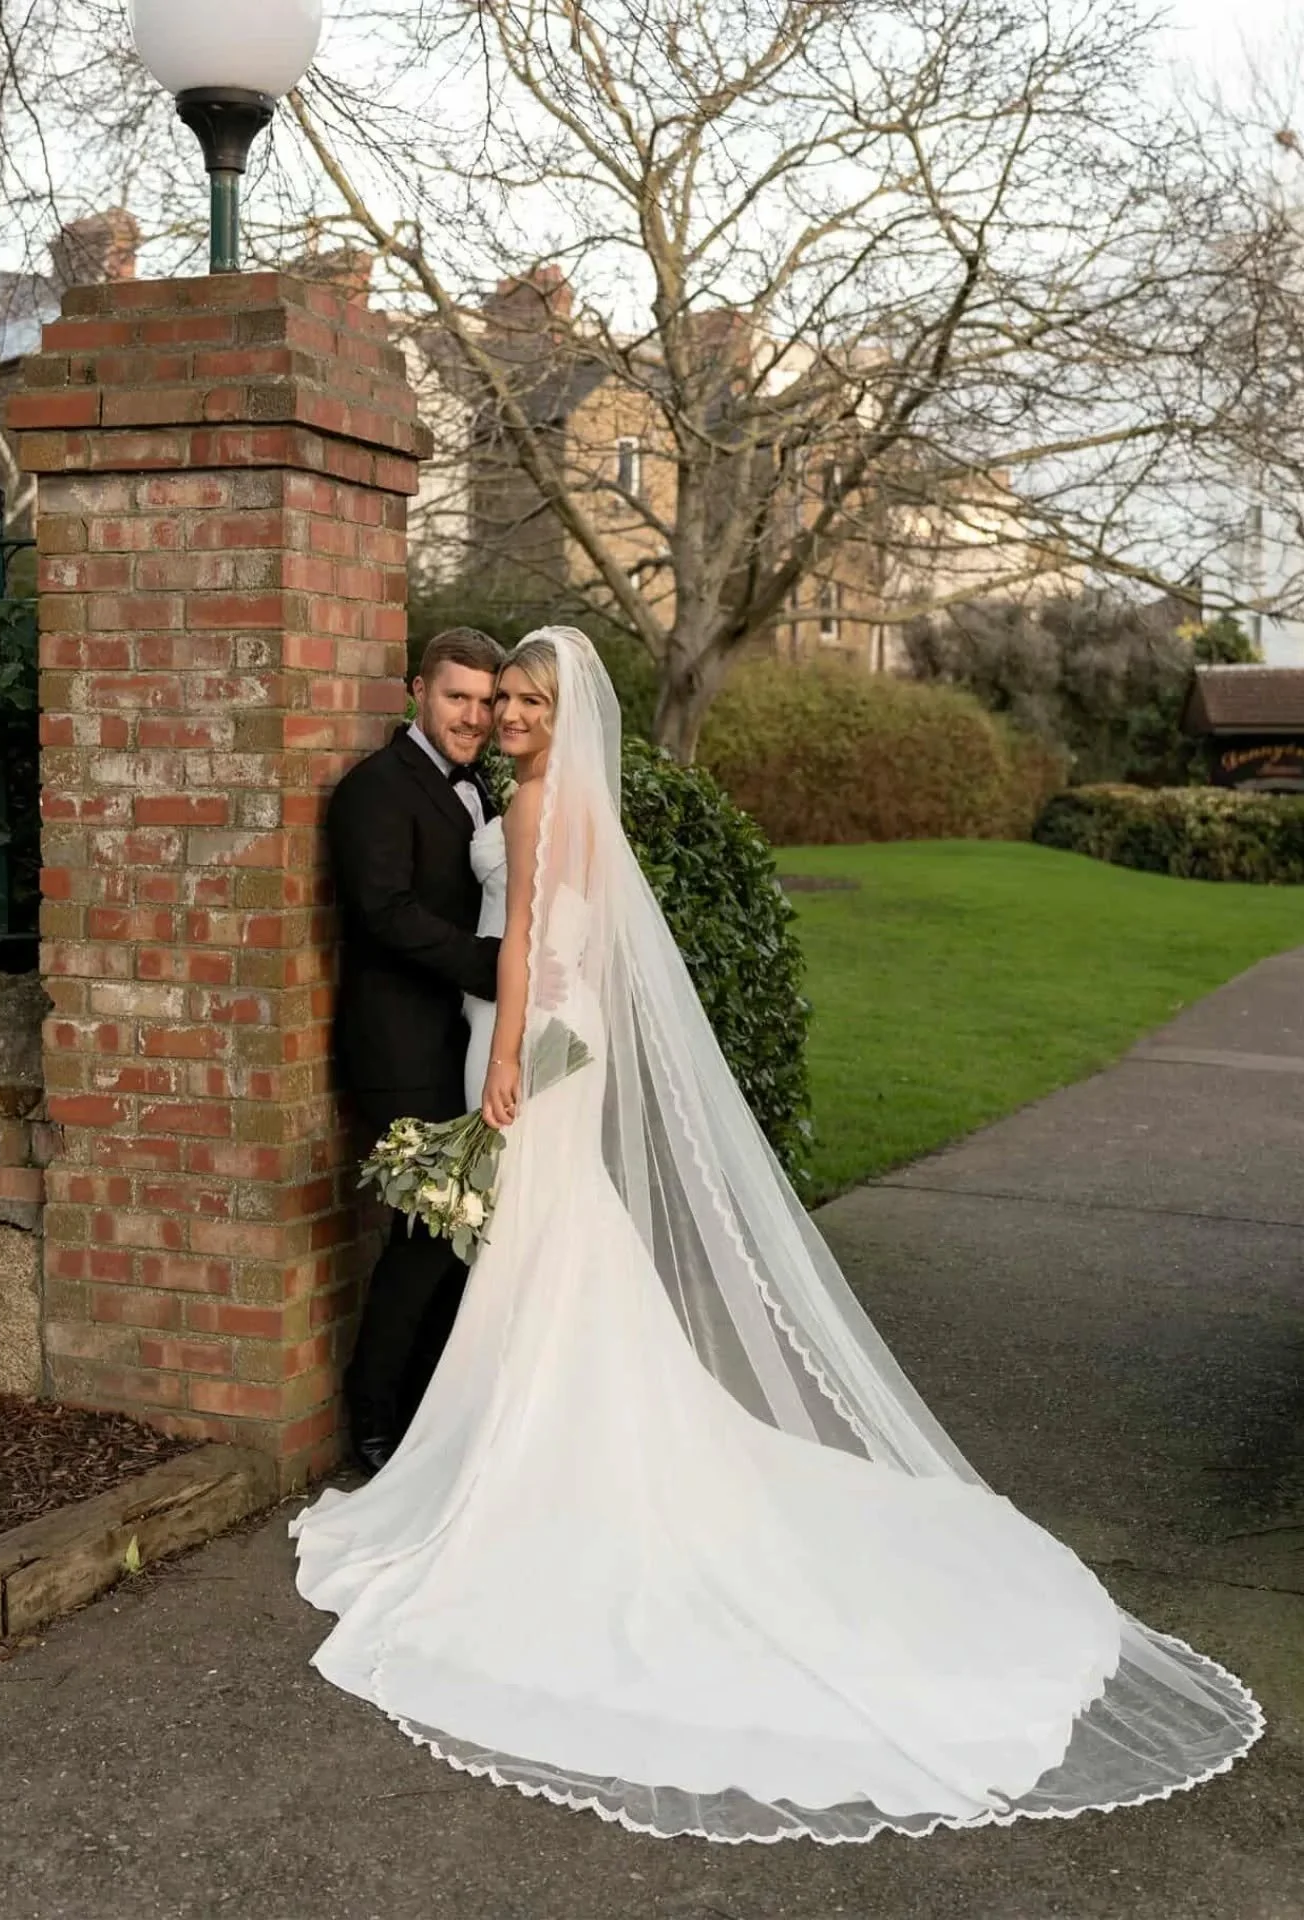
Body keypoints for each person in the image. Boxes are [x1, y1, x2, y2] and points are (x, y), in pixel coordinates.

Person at [294, 627, 1261, 1844]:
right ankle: (490, 1431)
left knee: (526, 1248)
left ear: (558, 709)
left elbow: (538, 945)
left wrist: (504, 1056)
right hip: (531, 1038)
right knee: (536, 1248)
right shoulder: (532, 793)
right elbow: (531, 936)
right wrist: (517, 1026)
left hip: (519, 1045)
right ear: (438, 696)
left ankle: (502, 1454)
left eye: (525, 698)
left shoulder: (532, 800)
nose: (507, 715)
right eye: (495, 698)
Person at [324, 626, 504, 1476]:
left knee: (461, 1233)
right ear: (417, 692)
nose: (472, 715)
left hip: (470, 1041)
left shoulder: (480, 786)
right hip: (401, 1042)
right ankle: (373, 1417)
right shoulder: (375, 789)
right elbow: (386, 913)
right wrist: (497, 966)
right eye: (456, 696)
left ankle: (429, 1408)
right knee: (430, 1232)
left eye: (483, 699)